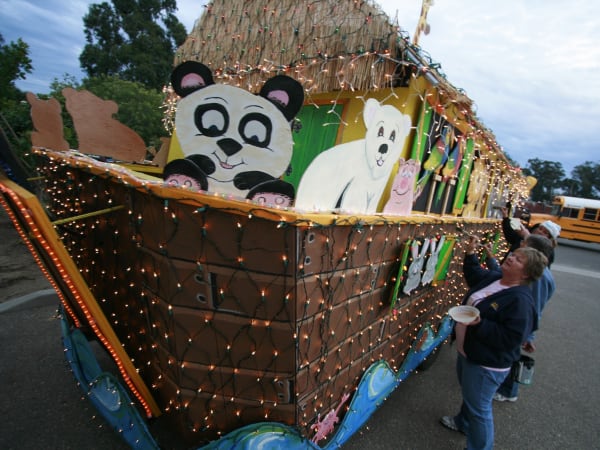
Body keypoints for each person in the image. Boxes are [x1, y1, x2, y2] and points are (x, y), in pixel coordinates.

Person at [440, 235, 548, 450]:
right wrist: (470, 253)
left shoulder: (520, 301)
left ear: (526, 273)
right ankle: (463, 423)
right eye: (513, 254)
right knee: (471, 397)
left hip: (486, 363)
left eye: (518, 260)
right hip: (469, 352)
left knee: (479, 409)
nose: (511, 258)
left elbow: (511, 338)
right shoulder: (497, 278)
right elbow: (474, 275)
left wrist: (480, 324)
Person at [491, 234, 556, 402]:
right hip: (520, 323)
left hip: (519, 324)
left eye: (524, 244)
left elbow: (535, 307)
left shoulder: (540, 278)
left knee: (510, 355)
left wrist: (529, 335)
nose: (520, 244)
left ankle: (508, 391)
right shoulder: (541, 273)